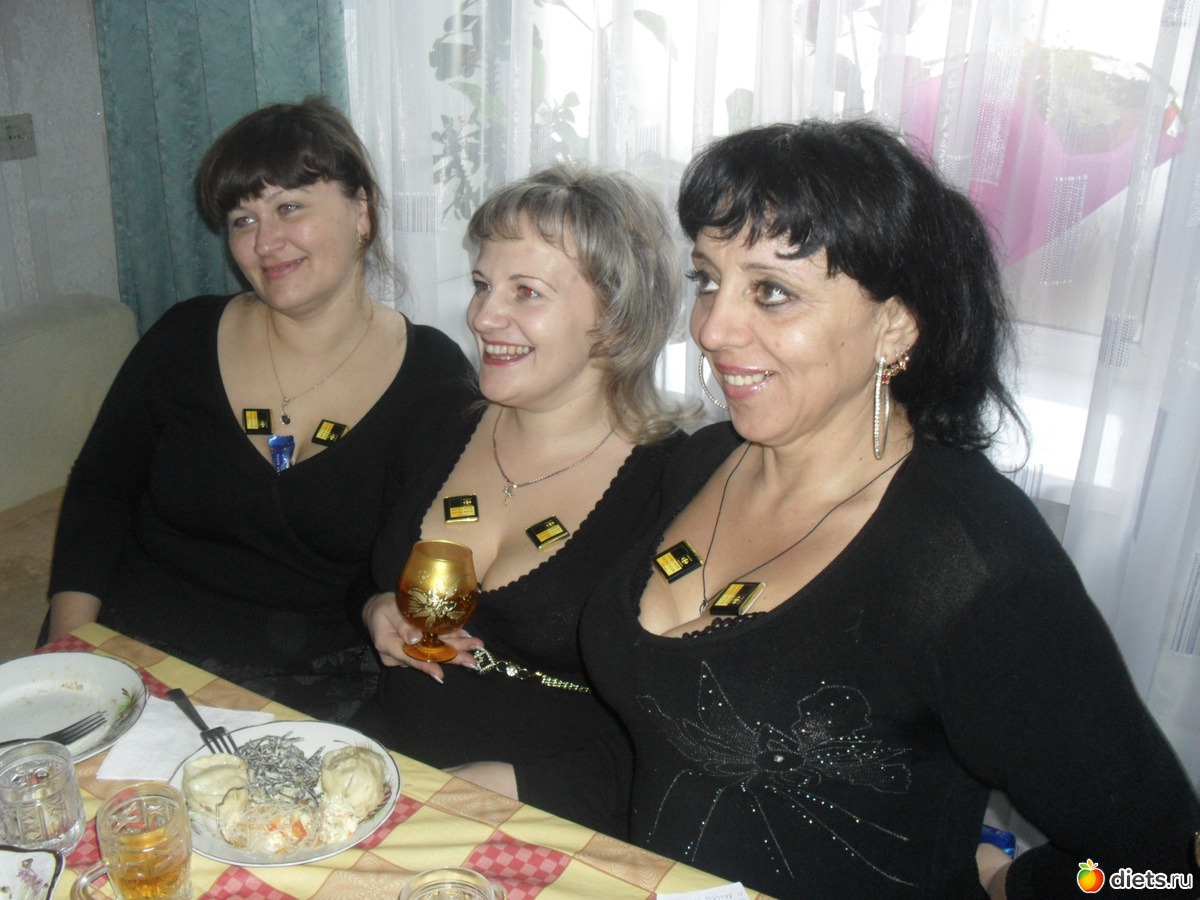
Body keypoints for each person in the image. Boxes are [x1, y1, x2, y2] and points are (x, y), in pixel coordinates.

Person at [578, 120, 1200, 898]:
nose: (711, 327)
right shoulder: (704, 462)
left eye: (771, 291)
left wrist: (1014, 884)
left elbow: (1165, 864)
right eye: (707, 279)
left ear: (895, 325)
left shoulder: (968, 562)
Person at [45, 97, 472, 723]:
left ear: (361, 213)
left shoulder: (433, 376)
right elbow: (99, 492)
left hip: (320, 686)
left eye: (289, 207)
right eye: (242, 220)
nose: (264, 243)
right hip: (138, 656)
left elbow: (434, 548)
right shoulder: (183, 336)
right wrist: (71, 653)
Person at [352, 164, 689, 835]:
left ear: (616, 320)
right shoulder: (437, 420)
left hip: (550, 821)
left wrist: (514, 786)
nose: (483, 316)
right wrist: (376, 608)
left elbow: (686, 733)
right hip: (383, 778)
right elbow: (355, 573)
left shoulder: (677, 486)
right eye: (482, 285)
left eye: (525, 292)